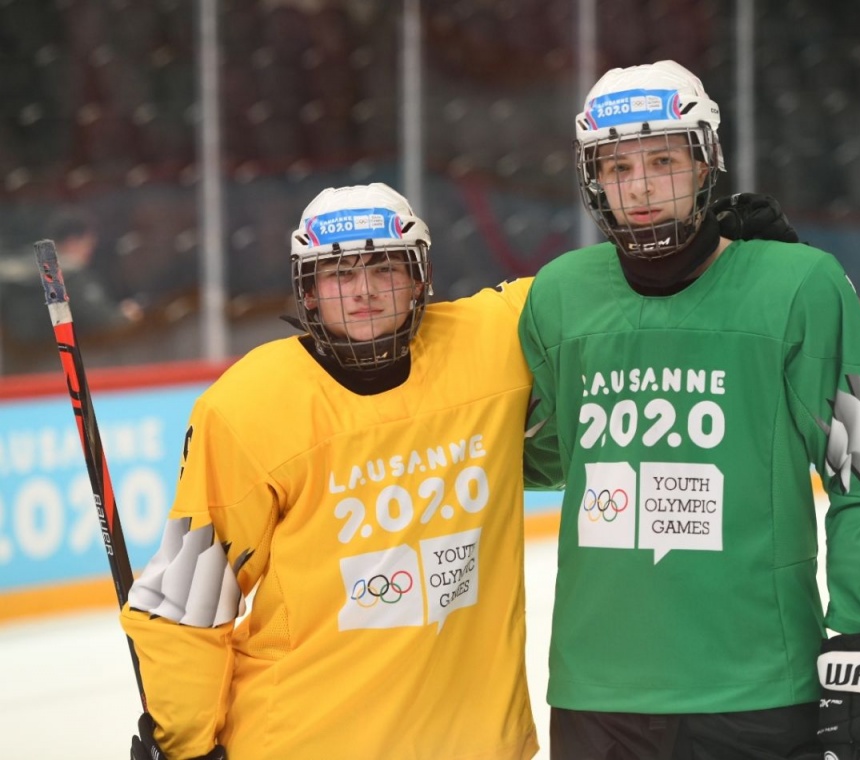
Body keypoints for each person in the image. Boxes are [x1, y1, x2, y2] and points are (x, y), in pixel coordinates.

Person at [518, 61, 860, 760]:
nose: (641, 186)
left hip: (761, 688)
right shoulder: (557, 294)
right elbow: (542, 455)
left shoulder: (803, 285)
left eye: (664, 160)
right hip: (596, 694)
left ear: (706, 165)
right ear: (594, 179)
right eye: (618, 167)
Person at [121, 183, 540, 760]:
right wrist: (184, 745)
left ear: (420, 277)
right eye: (338, 274)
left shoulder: (493, 343)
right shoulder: (248, 405)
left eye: (384, 268)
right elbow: (190, 597)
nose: (362, 292)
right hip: (300, 739)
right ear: (310, 291)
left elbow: (595, 294)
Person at [0, 208, 143, 348]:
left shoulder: (14, 273)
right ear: (72, 242)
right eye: (88, 246)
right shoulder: (71, 278)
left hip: (20, 359)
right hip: (64, 358)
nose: (90, 254)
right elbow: (102, 321)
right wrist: (124, 315)